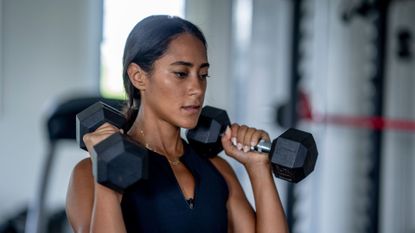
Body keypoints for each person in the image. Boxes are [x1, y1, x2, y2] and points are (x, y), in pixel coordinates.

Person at [66, 15, 289, 233]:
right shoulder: (88, 173)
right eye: (181, 74)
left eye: (203, 75)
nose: (198, 89)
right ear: (138, 76)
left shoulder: (217, 170)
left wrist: (258, 167)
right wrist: (109, 179)